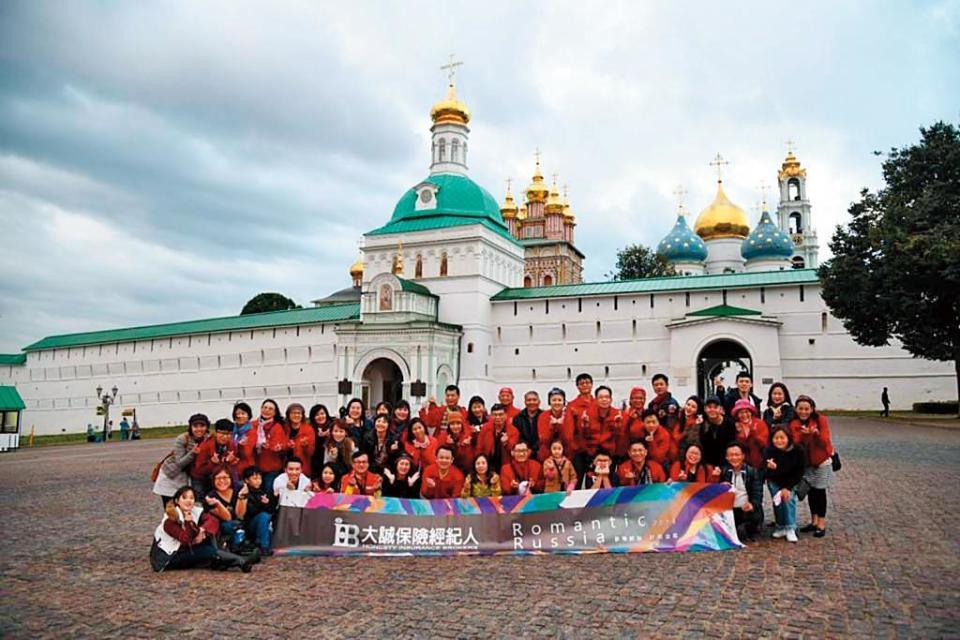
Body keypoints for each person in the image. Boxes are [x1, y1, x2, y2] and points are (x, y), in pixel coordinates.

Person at [150, 486, 254, 573]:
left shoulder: (194, 511)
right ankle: (240, 561)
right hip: (169, 557)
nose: (188, 501)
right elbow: (186, 539)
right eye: (184, 498)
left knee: (209, 538)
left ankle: (221, 562)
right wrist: (188, 522)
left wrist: (202, 530)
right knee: (206, 550)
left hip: (185, 548)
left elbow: (212, 520)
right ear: (177, 501)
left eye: (191, 498)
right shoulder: (170, 520)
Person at [790, 395, 834, 538]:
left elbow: (825, 441)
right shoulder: (794, 423)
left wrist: (815, 434)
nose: (804, 411)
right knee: (811, 492)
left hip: (821, 462)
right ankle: (813, 521)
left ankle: (821, 523)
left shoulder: (820, 420)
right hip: (807, 464)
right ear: (796, 409)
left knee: (820, 492)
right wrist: (805, 435)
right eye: (800, 409)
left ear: (812, 409)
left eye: (806, 409)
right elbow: (795, 442)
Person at [153, 414, 208, 507]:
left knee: (185, 508)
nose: (199, 429)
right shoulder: (182, 438)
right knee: (170, 509)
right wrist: (193, 453)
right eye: (195, 426)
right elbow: (179, 463)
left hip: (186, 479)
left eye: (202, 426)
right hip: (171, 475)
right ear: (190, 427)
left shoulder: (207, 439)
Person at [764, 427, 806, 543]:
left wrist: (787, 487)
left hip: (791, 481)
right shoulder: (769, 450)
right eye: (776, 438)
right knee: (777, 502)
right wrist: (770, 468)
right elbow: (764, 470)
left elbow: (799, 471)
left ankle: (791, 527)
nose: (779, 441)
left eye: (782, 438)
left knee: (788, 500)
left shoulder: (798, 450)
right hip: (774, 481)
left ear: (788, 438)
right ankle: (780, 526)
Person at [719, 442, 764, 542]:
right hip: (730, 510)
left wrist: (752, 504)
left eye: (737, 454)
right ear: (726, 457)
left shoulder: (752, 472)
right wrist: (720, 487)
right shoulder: (723, 472)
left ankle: (752, 527)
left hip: (746, 509)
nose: (734, 458)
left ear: (743, 456)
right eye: (731, 455)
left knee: (745, 532)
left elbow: (758, 493)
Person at [204, 467, 247, 553]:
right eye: (218, 478)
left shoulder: (239, 489)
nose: (222, 481)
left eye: (225, 477)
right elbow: (227, 517)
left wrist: (241, 496)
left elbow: (240, 515)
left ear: (231, 478)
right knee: (230, 525)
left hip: (242, 523)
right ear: (213, 480)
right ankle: (236, 548)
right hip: (225, 527)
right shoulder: (211, 496)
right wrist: (218, 503)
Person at [238, 467, 275, 555]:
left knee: (267, 518)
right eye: (255, 478)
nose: (258, 481)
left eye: (260, 478)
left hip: (260, 526)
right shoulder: (244, 492)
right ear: (247, 480)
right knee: (264, 516)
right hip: (247, 525)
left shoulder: (261, 492)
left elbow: (270, 512)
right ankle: (263, 547)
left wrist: (266, 503)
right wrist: (261, 504)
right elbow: (250, 512)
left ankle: (260, 544)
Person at [581, 386, 620, 469]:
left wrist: (618, 426)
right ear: (596, 400)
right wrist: (585, 425)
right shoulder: (588, 413)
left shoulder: (617, 414)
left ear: (611, 399)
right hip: (592, 452)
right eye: (601, 397)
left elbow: (619, 437)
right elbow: (585, 436)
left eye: (607, 397)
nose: (604, 400)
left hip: (610, 453)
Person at [252, 399, 287, 491]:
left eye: (270, 409)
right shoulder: (253, 425)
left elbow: (282, 444)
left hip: (271, 468)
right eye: (265, 407)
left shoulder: (277, 427)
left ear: (275, 413)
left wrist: (276, 447)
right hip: (255, 467)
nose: (267, 410)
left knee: (268, 493)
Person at [194, 419, 240, 486]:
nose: (225, 437)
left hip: (220, 477)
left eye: (229, 434)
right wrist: (212, 463)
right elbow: (199, 470)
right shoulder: (204, 446)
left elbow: (235, 461)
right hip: (201, 478)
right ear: (215, 432)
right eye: (222, 433)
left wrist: (232, 460)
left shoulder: (231, 445)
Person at [476, 404, 520, 472]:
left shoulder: (513, 431)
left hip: (506, 465)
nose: (498, 417)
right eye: (495, 415)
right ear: (490, 416)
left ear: (506, 415)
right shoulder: (485, 428)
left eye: (501, 414)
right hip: (488, 464)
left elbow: (515, 452)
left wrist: (506, 443)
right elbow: (479, 447)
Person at [731, 399, 770, 471]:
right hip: (741, 465)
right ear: (737, 415)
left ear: (751, 412)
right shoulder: (734, 427)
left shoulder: (760, 423)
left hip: (759, 464)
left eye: (747, 412)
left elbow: (764, 444)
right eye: (741, 413)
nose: (744, 415)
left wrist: (754, 433)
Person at [699, 396, 736, 470]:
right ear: (705, 409)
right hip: (707, 465)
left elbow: (732, 445)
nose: (712, 410)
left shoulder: (729, 424)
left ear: (720, 409)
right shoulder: (702, 424)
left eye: (715, 407)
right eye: (709, 407)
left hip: (726, 464)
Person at [537, 388, 574, 462]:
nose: (557, 402)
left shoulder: (568, 416)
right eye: (554, 400)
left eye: (559, 400)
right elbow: (543, 440)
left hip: (565, 456)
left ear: (564, 402)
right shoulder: (543, 416)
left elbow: (568, 439)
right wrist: (552, 427)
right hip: (547, 456)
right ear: (549, 402)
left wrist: (560, 426)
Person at [285, 403, 316, 479]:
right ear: (288, 415)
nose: (296, 415)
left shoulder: (308, 429)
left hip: (302, 468)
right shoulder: (284, 428)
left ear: (302, 415)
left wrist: (306, 446)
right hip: (286, 467)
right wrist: (287, 446)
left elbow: (311, 453)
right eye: (293, 413)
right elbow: (280, 447)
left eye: (299, 413)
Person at [620, 387, 647, 460]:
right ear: (630, 400)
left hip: (644, 452)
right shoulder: (624, 415)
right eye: (635, 398)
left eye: (641, 398)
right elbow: (621, 433)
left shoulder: (648, 414)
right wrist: (629, 419)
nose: (638, 400)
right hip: (627, 452)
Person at [232, 402, 257, 478]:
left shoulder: (252, 431)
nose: (240, 416)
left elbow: (248, 452)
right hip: (233, 467)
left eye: (243, 413)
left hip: (247, 468)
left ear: (248, 415)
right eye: (238, 414)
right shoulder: (232, 430)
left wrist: (240, 446)